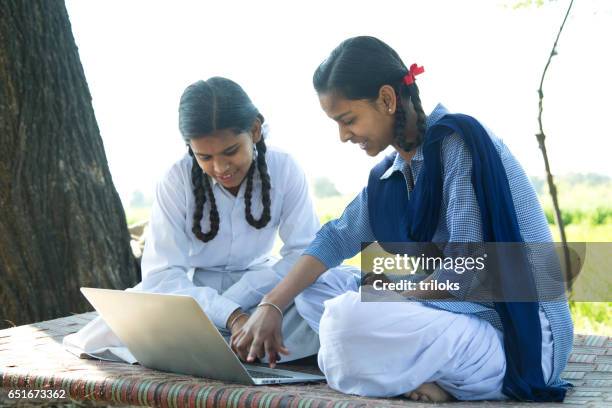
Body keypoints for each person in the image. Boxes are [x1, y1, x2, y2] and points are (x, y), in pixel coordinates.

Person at [231, 36, 573, 402]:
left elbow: (465, 272)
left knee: (345, 318)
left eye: (348, 120)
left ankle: (404, 371)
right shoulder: (391, 173)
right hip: (452, 323)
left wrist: (393, 293)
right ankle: (421, 377)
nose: (343, 136)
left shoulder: (459, 144)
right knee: (315, 289)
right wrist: (272, 304)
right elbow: (334, 239)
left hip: (516, 338)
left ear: (387, 99)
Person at [63, 76, 328, 364]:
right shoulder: (176, 180)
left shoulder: (285, 168)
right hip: (191, 299)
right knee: (124, 324)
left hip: (264, 290)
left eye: (230, 152)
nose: (220, 168)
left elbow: (303, 254)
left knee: (332, 299)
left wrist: (267, 304)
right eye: (205, 157)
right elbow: (162, 276)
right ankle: (232, 345)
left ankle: (223, 347)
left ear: (254, 130)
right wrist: (231, 314)